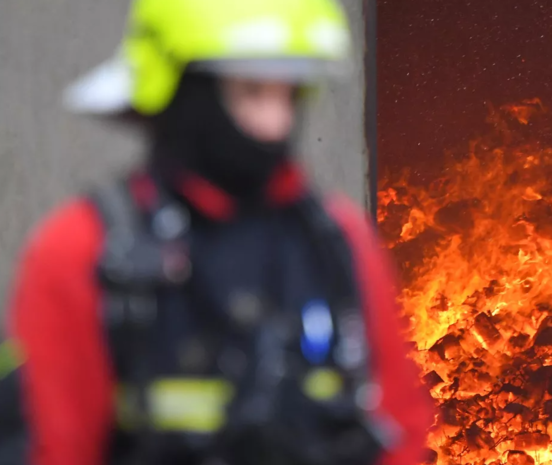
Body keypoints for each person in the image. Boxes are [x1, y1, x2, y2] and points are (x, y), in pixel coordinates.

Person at [1, 0, 434, 464]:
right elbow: (53, 445)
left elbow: (397, 431)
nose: (276, 123)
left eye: (288, 94)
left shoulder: (334, 242)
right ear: (185, 91)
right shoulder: (83, 250)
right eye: (251, 92)